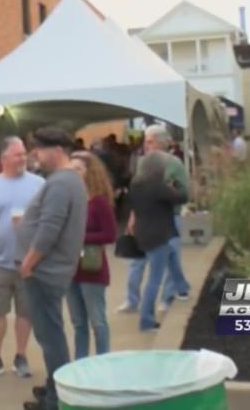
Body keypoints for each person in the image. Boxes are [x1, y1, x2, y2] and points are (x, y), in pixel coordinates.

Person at [17, 127, 88, 410]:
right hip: (50, 270)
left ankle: (58, 399)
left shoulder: (60, 183)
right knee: (50, 334)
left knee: (50, 337)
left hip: (44, 272)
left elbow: (50, 229)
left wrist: (28, 262)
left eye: (39, 149)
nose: (36, 155)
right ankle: (52, 388)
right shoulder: (68, 181)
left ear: (57, 151)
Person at [0, 136, 44, 381]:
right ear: (3, 159)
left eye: (24, 154)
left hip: (28, 262)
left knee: (26, 312)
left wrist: (37, 254)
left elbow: (47, 222)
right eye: (18, 154)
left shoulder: (39, 185)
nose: (23, 158)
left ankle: (21, 356)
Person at [118, 126, 192, 315]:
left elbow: (185, 191)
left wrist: (170, 191)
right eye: (146, 141)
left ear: (161, 142)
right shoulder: (142, 163)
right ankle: (132, 300)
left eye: (150, 141)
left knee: (169, 258)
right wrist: (132, 216)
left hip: (168, 217)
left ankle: (166, 299)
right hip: (144, 217)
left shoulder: (173, 163)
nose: (146, 145)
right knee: (137, 260)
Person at [128, 151, 189, 333]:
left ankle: (182, 287)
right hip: (159, 235)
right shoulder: (157, 186)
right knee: (154, 280)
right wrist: (176, 184)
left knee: (172, 259)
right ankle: (146, 321)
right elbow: (182, 197)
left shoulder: (136, 185)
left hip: (144, 233)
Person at [68, 151, 118, 359]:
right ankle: (80, 364)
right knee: (78, 323)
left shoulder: (98, 202)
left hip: (91, 267)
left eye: (78, 169)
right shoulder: (69, 199)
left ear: (90, 172)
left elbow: (110, 234)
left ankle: (103, 361)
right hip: (70, 269)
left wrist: (80, 237)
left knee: (97, 320)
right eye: (71, 169)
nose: (73, 173)